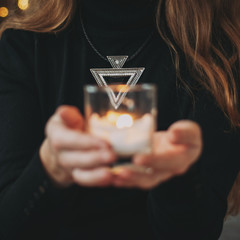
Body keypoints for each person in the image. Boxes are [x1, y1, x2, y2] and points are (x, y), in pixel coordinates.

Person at [0, 0, 239, 239]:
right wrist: (50, 167)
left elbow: (197, 231)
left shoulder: (217, 58)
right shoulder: (22, 46)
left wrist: (177, 178)